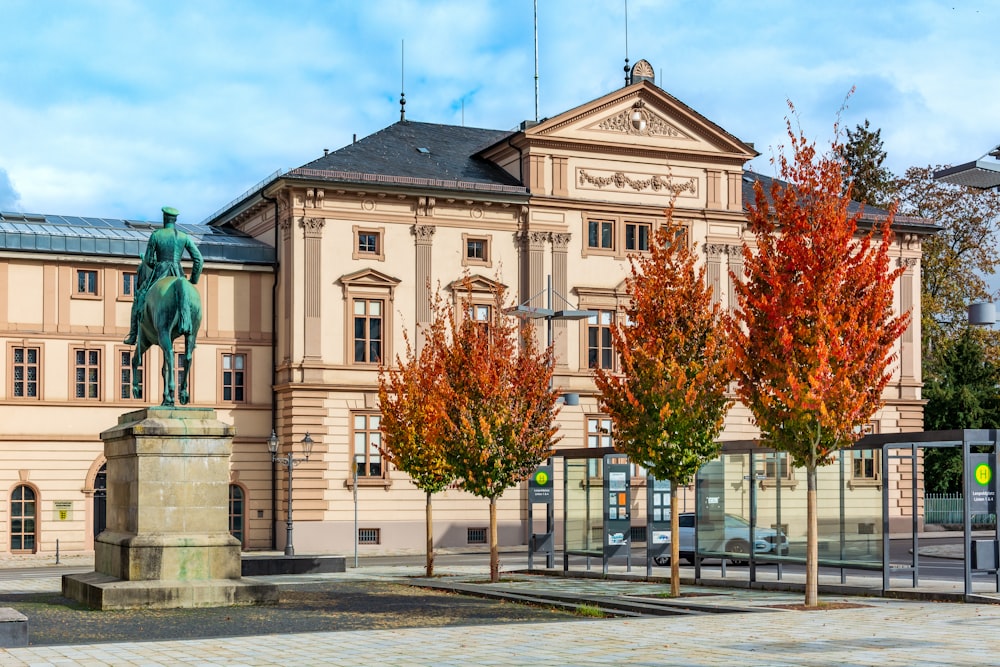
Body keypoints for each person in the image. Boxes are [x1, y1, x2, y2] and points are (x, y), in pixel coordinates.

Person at [123, 206, 204, 346]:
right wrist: (193, 280)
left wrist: (154, 262)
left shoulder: (156, 235)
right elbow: (199, 260)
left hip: (160, 272)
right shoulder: (184, 237)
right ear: (175, 219)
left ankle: (133, 335)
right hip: (178, 273)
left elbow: (148, 259)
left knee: (140, 298)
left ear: (164, 218)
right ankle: (191, 337)